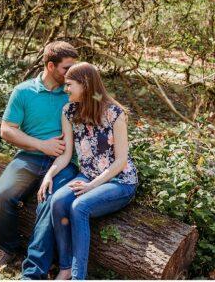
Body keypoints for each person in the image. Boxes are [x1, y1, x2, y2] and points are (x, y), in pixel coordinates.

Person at [38, 62, 138, 280]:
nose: (66, 89)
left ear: (84, 84)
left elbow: (121, 161)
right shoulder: (69, 111)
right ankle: (64, 268)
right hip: (88, 175)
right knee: (56, 201)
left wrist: (92, 186)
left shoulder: (114, 113)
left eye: (70, 85)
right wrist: (49, 175)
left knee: (79, 206)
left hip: (119, 181)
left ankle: (77, 276)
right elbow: (66, 155)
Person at [0, 41, 79, 278]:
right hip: (29, 158)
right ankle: (7, 247)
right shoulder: (24, 91)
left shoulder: (74, 91)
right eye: (66, 68)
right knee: (2, 194)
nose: (71, 74)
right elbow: (7, 130)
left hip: (62, 162)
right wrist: (41, 145)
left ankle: (34, 271)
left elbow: (100, 102)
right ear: (51, 66)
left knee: (48, 204)